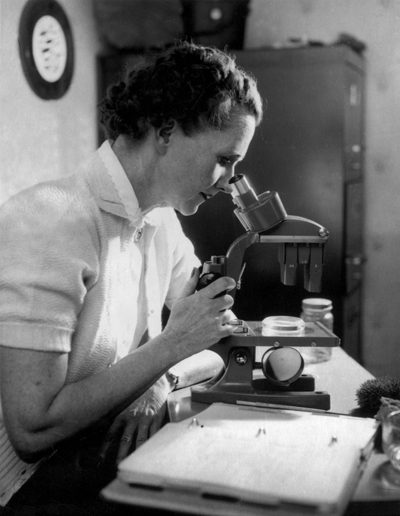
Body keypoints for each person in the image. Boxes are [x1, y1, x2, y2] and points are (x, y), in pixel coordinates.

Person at [0, 40, 263, 512]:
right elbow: (32, 429)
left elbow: (214, 335)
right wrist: (168, 349)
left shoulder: (158, 219)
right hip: (25, 487)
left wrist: (159, 379)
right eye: (225, 159)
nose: (228, 182)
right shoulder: (51, 222)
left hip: (96, 449)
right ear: (165, 132)